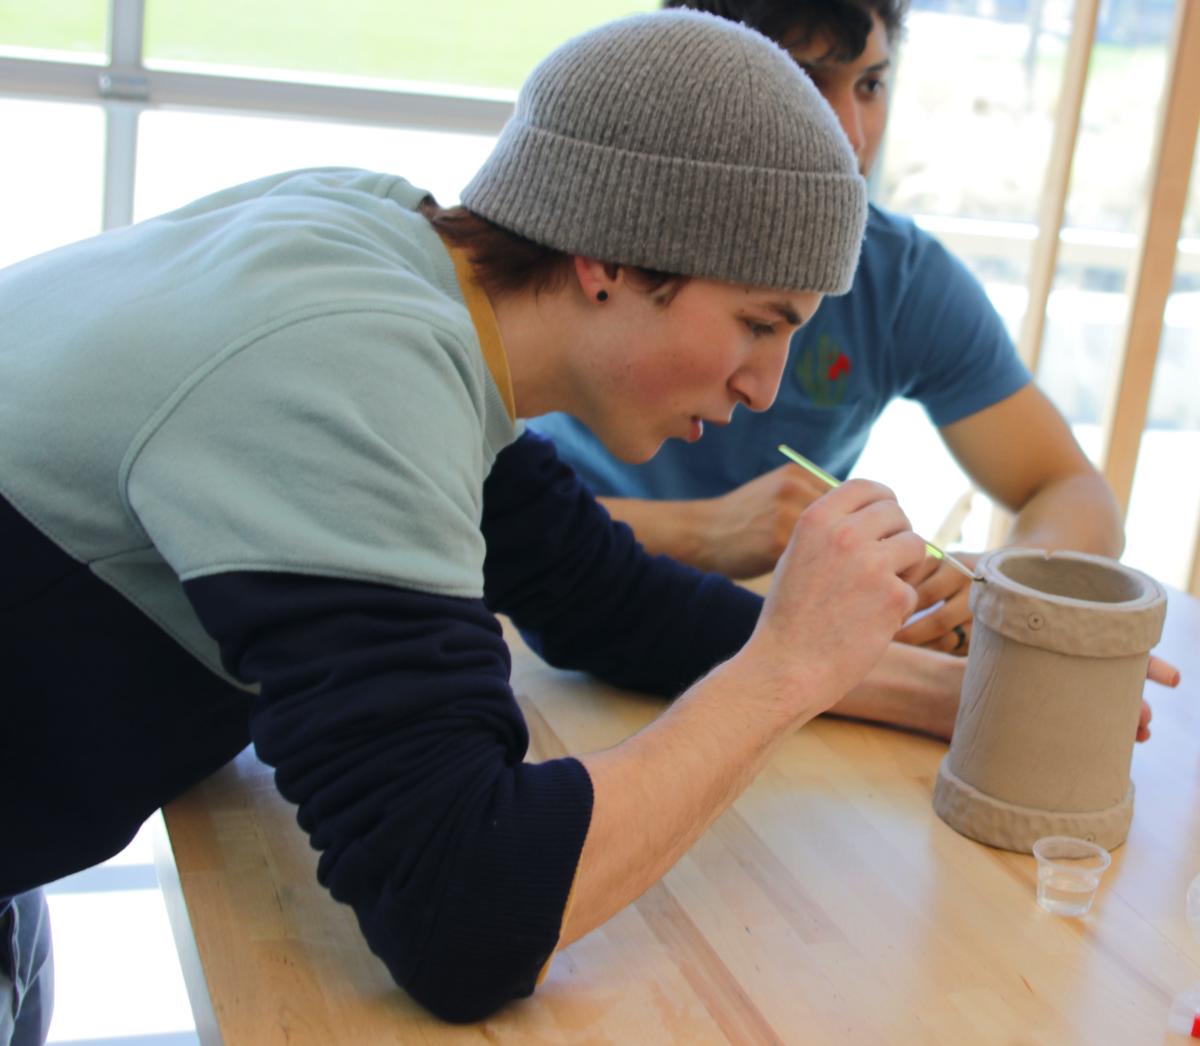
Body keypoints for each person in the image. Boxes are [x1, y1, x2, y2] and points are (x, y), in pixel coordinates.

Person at [0, 10, 963, 1033]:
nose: (765, 386)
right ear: (610, 257)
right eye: (758, 322)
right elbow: (463, 907)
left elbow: (601, 600)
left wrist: (948, 690)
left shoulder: (382, 247)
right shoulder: (351, 370)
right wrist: (784, 673)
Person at [531, 0, 1126, 658]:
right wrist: (700, 531)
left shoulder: (900, 279)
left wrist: (1000, 580)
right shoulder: (575, 233)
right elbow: (471, 515)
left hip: (745, 643)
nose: (850, 134)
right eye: (805, 80)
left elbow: (1074, 490)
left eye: (870, 85)